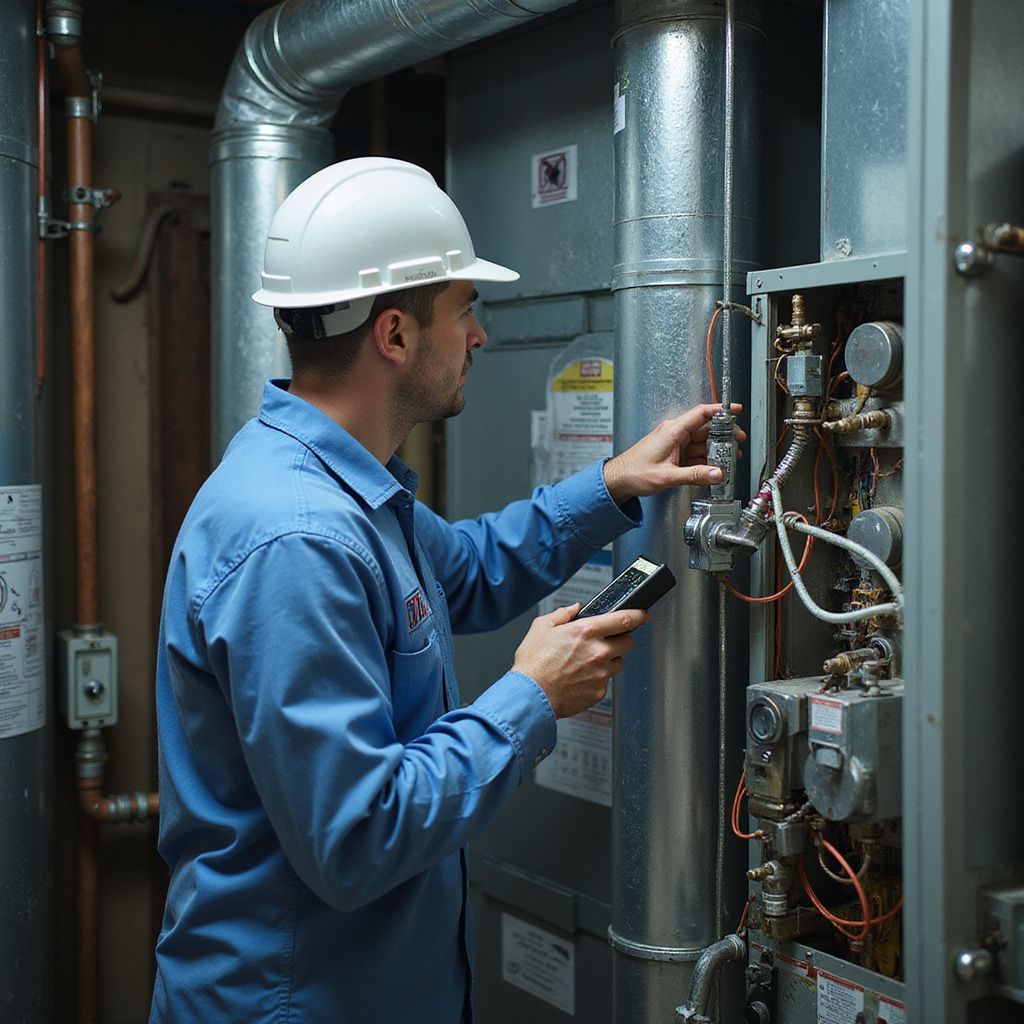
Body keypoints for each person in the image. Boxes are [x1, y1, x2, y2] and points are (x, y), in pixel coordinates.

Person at [150, 157, 741, 1023]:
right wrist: (531, 697)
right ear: (394, 334)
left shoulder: (344, 488)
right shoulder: (297, 537)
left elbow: (461, 571)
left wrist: (613, 484)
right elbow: (356, 835)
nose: (481, 336)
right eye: (466, 310)